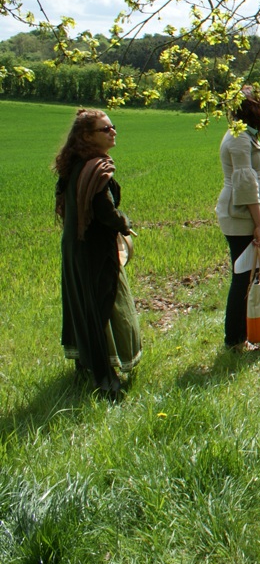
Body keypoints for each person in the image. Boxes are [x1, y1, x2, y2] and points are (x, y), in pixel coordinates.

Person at [55, 108, 141, 397]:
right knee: (100, 309)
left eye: (112, 126)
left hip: (74, 247)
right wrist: (125, 224)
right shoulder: (97, 167)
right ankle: (105, 380)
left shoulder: (78, 164)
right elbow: (104, 210)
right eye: (106, 129)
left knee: (82, 305)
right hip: (93, 251)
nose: (113, 131)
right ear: (87, 136)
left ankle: (85, 365)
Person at [215, 87, 260, 351]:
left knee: (250, 274)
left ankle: (247, 332)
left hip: (246, 213)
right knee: (244, 277)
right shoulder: (239, 137)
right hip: (240, 215)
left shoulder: (245, 135)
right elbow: (246, 183)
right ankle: (235, 339)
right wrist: (259, 224)